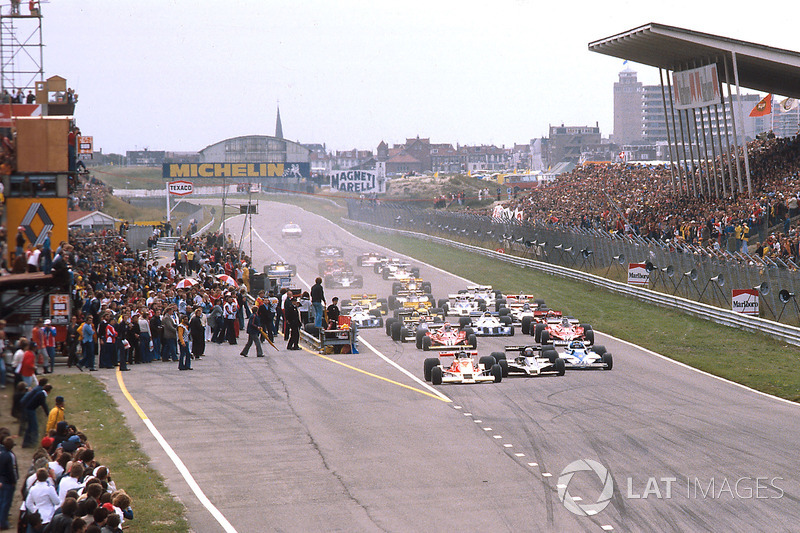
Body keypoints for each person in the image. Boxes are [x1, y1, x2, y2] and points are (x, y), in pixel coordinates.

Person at [20, 383, 52, 448]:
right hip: (31, 410)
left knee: (30, 426)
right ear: (49, 391)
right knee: (34, 426)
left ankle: (26, 442)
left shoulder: (41, 393)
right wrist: (48, 414)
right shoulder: (42, 395)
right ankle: (34, 441)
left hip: (30, 409)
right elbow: (44, 405)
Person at [0, 436, 17, 531]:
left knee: (1, 501)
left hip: (2, 480)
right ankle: (3, 523)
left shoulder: (1, 453)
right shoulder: (10, 456)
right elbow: (12, 470)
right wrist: (14, 481)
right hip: (8, 482)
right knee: (6, 503)